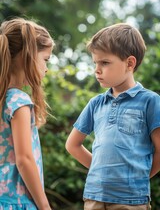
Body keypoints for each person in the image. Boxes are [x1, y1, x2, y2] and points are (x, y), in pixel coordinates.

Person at [65, 23, 160, 210]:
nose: (97, 70)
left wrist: (138, 176)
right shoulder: (95, 103)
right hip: (94, 196)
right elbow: (72, 145)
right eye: (95, 63)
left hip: (131, 200)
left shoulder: (151, 101)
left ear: (129, 63)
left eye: (105, 63)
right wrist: (102, 173)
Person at [0, 17, 55, 209]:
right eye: (45, 59)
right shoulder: (19, 101)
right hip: (17, 201)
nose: (47, 68)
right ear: (28, 56)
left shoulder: (3, 100)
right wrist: (44, 206)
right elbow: (24, 160)